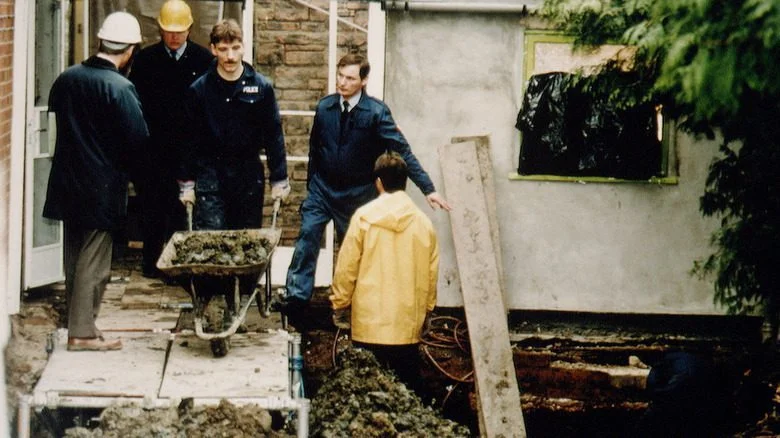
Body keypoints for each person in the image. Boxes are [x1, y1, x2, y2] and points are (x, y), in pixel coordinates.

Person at [280, 54, 451, 322]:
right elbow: (315, 149)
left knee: (351, 251)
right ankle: (296, 301)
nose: (343, 82)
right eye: (340, 76)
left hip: (357, 194)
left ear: (364, 80)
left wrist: (428, 189)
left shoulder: (376, 112)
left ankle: (346, 306)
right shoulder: (325, 108)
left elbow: (402, 150)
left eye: (350, 78)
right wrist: (312, 184)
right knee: (308, 236)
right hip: (323, 190)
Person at [43, 12, 148, 351]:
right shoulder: (120, 87)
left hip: (66, 180)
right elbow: (138, 139)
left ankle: (80, 324)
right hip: (100, 185)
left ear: (101, 41)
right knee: (94, 262)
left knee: (74, 257)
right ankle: (82, 334)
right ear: (129, 50)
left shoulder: (67, 78)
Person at [178, 19, 289, 316]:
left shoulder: (260, 87)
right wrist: (186, 184)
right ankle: (211, 297)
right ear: (213, 49)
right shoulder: (199, 90)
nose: (230, 56)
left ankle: (237, 297)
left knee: (244, 240)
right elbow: (187, 139)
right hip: (210, 173)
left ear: (243, 48)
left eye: (235, 48)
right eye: (223, 49)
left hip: (247, 174)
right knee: (212, 237)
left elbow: (274, 135)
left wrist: (280, 179)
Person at [330, 152, 439, 392]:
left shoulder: (363, 218)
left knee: (366, 396)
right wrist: (427, 311)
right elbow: (431, 276)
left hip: (367, 325)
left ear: (378, 182)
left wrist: (340, 304)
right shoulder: (423, 224)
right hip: (406, 328)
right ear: (405, 182)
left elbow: (347, 267)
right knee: (407, 395)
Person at [128, 0, 213, 279]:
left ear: (189, 28)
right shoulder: (144, 61)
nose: (174, 36)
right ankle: (152, 262)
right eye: (169, 31)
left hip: (191, 146)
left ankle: (180, 265)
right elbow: (136, 104)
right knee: (152, 205)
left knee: (184, 207)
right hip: (154, 147)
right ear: (160, 30)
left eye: (179, 31)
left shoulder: (203, 61)